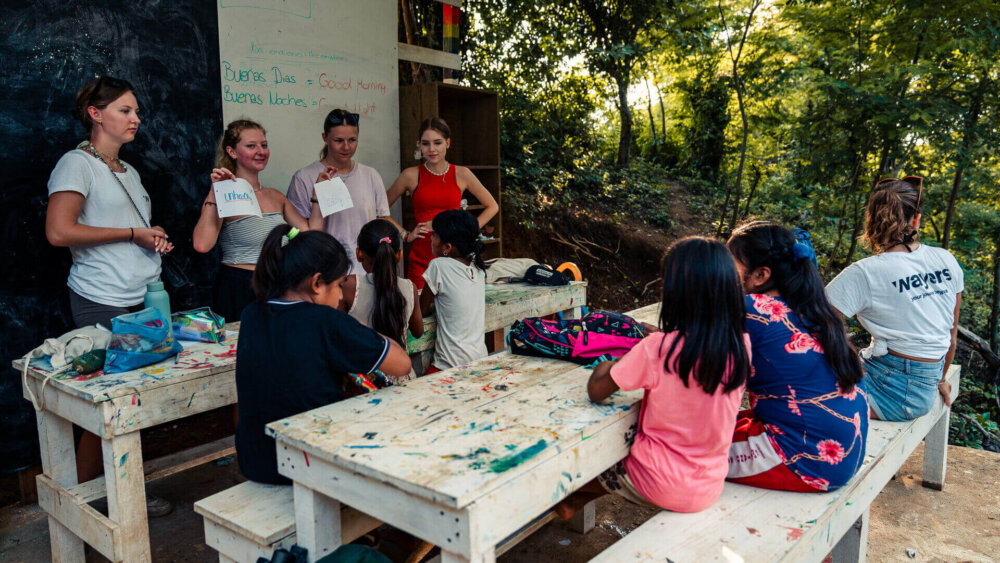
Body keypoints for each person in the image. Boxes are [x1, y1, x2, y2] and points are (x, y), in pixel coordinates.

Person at [44, 75, 174, 516]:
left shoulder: (128, 170)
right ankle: (90, 503)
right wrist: (132, 232)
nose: (136, 118)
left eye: (136, 111)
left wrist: (150, 239)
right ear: (96, 115)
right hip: (103, 299)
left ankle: (126, 493)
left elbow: (128, 233)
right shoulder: (76, 164)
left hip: (142, 297)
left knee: (131, 404)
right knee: (109, 406)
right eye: (125, 110)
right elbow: (59, 231)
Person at [557, 237, 752, 517]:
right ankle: (575, 502)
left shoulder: (659, 349)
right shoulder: (741, 345)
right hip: (709, 483)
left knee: (578, 469)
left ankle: (569, 500)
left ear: (676, 292)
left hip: (660, 483)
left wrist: (618, 359)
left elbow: (596, 389)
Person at [235, 225, 412, 484]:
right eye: (339, 285)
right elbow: (402, 364)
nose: (341, 294)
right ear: (317, 283)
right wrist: (358, 326)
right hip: (310, 466)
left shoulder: (251, 314)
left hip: (257, 462)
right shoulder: (326, 321)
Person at [727, 221, 868, 492]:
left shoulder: (750, 309)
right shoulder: (812, 307)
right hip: (841, 456)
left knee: (675, 445)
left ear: (760, 275)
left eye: (729, 265)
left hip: (803, 461)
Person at [827, 177, 963, 421]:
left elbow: (810, 321)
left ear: (870, 221)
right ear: (916, 220)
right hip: (924, 383)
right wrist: (938, 379)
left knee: (799, 395)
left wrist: (847, 358)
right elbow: (950, 339)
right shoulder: (946, 260)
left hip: (890, 394)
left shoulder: (866, 272)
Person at [193, 119, 322, 322]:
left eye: (264, 145)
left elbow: (311, 235)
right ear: (232, 152)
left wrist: (317, 197)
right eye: (251, 146)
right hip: (239, 287)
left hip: (276, 284)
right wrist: (214, 191)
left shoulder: (275, 196)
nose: (261, 151)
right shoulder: (224, 194)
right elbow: (202, 244)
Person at [287, 109, 410, 274]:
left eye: (352, 140)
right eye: (338, 140)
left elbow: (382, 218)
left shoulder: (371, 175)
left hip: (367, 272)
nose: (346, 147)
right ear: (325, 138)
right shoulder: (304, 177)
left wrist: (406, 235)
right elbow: (294, 232)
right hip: (326, 272)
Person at [387, 117, 499, 290]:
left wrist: (465, 229)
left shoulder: (462, 173)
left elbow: (493, 206)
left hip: (455, 257)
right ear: (419, 145)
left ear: (447, 143)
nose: (431, 149)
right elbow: (380, 209)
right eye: (425, 143)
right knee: (419, 315)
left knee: (453, 310)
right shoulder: (410, 175)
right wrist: (405, 235)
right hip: (421, 258)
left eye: (437, 143)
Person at [419, 210, 489, 373]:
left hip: (449, 366)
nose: (431, 238)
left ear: (447, 247)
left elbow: (421, 310)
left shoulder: (439, 266)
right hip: (480, 361)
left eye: (435, 235)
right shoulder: (477, 267)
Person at [343, 219, 424, 348]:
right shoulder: (409, 287)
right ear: (399, 255)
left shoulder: (350, 285)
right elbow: (418, 332)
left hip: (362, 367)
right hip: (400, 367)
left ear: (359, 254)